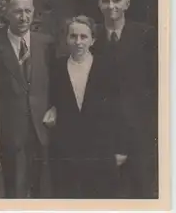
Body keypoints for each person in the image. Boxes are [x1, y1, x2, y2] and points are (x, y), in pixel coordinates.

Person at [0, 0, 55, 198]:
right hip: (11, 133)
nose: (23, 17)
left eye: (28, 11)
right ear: (7, 13)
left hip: (43, 131)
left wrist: (55, 108)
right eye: (18, 11)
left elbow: (58, 83)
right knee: (15, 193)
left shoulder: (46, 44)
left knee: (45, 193)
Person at [43, 15, 128, 198]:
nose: (78, 42)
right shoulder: (57, 68)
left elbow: (118, 109)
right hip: (67, 152)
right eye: (73, 36)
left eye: (84, 37)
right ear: (66, 39)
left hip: (101, 150)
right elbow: (54, 100)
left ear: (93, 39)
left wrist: (120, 147)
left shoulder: (106, 66)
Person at [91, 0, 158, 199]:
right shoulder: (90, 39)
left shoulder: (146, 36)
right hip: (103, 134)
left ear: (127, 3)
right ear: (99, 4)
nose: (111, 6)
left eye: (117, 0)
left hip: (140, 132)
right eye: (106, 1)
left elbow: (157, 84)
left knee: (143, 194)